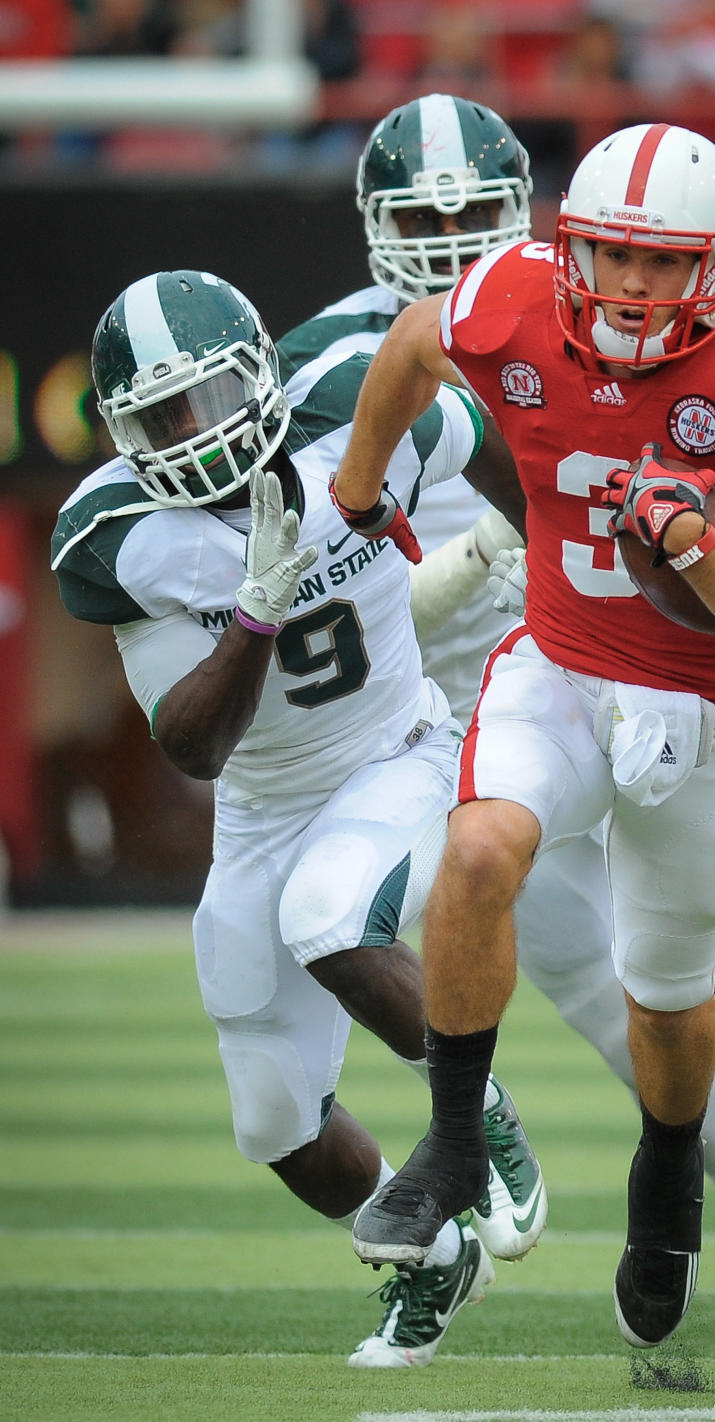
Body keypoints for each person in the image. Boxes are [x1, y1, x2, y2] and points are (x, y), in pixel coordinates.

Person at [328, 118, 715, 1351]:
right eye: (611, 252)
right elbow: (416, 340)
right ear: (571, 243)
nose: (630, 284)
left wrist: (697, 545)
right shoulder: (512, 304)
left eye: (663, 261)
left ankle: (667, 1182)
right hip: (560, 666)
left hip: (707, 709)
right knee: (474, 856)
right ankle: (458, 1144)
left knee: (669, 1000)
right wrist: (358, 492)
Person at [50, 267, 541, 1371]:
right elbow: (192, 746)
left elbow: (482, 430)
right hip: (263, 806)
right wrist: (257, 613)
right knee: (274, 1125)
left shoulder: (346, 414)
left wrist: (557, 564)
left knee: (331, 917)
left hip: (398, 753)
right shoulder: (125, 535)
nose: (192, 432)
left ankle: (476, 1121)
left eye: (208, 397)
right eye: (159, 416)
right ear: (123, 433)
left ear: (261, 373)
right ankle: (435, 1258)